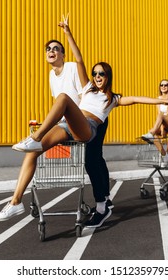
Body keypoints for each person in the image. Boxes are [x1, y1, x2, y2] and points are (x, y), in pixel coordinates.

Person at [0, 16, 168, 228]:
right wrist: (68, 33)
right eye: (95, 73)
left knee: (63, 98)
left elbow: (137, 99)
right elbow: (80, 60)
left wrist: (162, 99)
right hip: (68, 126)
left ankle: (35, 138)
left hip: (87, 128)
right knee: (33, 152)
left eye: (101, 73)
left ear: (108, 76)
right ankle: (15, 201)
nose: (97, 76)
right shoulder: (87, 88)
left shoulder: (113, 99)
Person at [43, 38, 113, 214]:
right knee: (96, 159)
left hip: (90, 118)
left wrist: (78, 119)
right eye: (48, 49)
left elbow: (85, 96)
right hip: (75, 120)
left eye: (55, 48)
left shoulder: (72, 68)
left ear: (62, 54)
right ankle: (105, 196)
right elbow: (57, 100)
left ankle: (103, 200)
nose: (51, 51)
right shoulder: (52, 75)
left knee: (92, 159)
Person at [141, 79, 168, 166]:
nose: (163, 87)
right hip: (165, 122)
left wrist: (163, 129)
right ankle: (165, 155)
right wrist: (161, 128)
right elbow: (159, 114)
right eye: (161, 85)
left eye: (165, 85)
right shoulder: (158, 99)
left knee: (154, 127)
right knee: (154, 133)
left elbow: (167, 114)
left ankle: (150, 133)